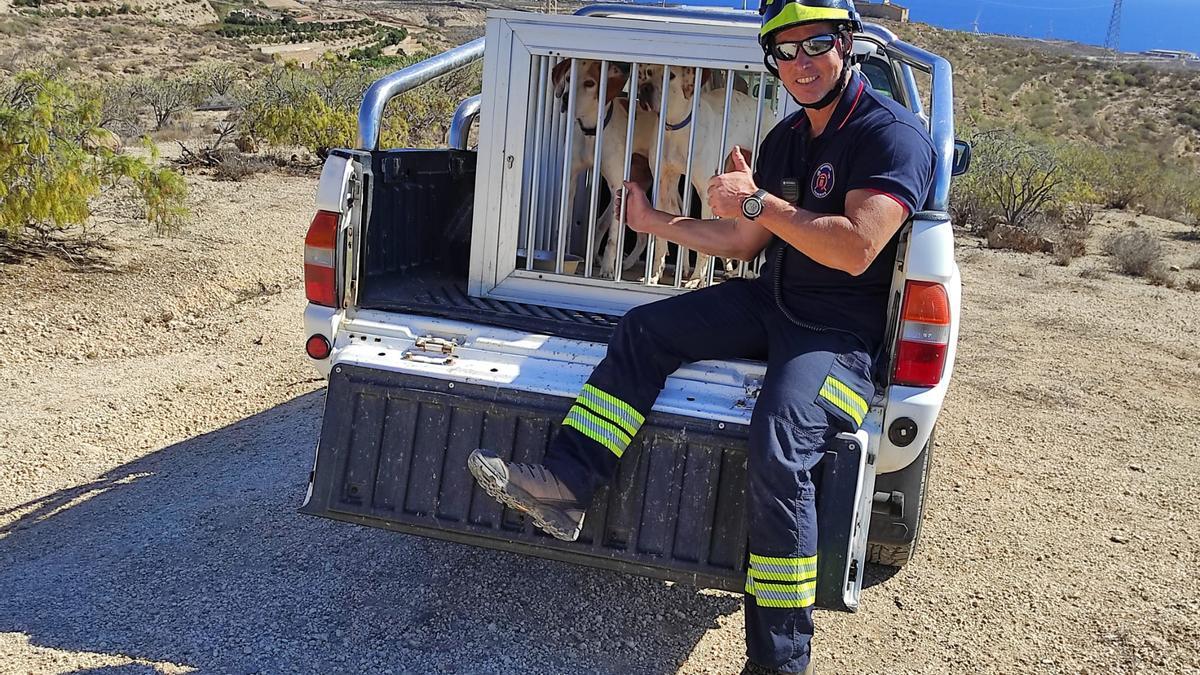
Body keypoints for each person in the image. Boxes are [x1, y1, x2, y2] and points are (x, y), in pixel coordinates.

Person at [468, 1, 936, 672]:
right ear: (771, 58)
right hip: (774, 300)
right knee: (645, 329)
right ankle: (566, 485)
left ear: (848, 42)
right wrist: (655, 221)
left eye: (818, 44)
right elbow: (746, 238)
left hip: (839, 334)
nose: (802, 63)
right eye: (786, 49)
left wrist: (755, 200)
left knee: (780, 442)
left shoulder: (893, 134)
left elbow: (857, 246)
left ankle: (778, 659)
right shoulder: (785, 139)